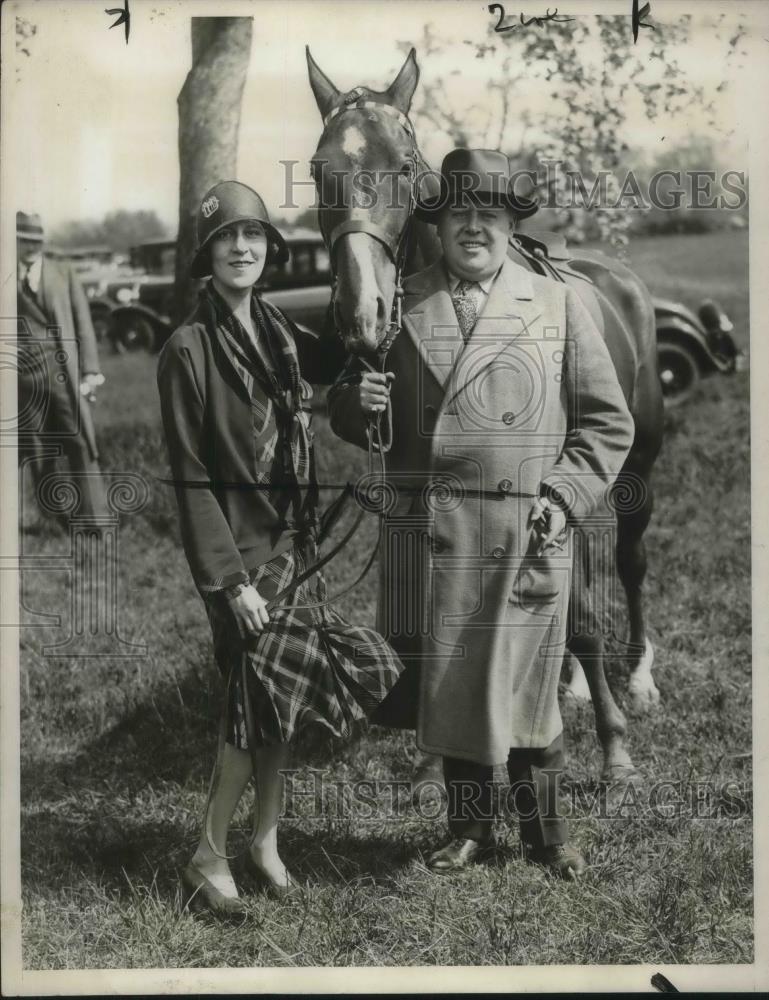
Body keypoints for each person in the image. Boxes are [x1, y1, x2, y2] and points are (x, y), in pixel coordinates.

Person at [328, 149, 635, 879]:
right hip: (438, 534)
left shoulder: (555, 302)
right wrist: (354, 404)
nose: (474, 227)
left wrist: (565, 495)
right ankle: (468, 830)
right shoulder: (398, 301)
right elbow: (350, 408)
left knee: (531, 685)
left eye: (489, 214)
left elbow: (606, 422)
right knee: (455, 681)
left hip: (528, 529)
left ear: (510, 225)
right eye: (459, 214)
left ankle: (547, 835)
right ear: (436, 227)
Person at [157, 181, 403, 917]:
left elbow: (344, 358)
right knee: (253, 702)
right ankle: (207, 854)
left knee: (278, 704)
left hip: (297, 543)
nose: (242, 248)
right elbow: (189, 478)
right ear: (206, 255)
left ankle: (264, 842)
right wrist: (231, 582)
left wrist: (366, 379)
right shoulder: (187, 350)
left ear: (269, 249)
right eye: (226, 238)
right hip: (239, 559)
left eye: (253, 236)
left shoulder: (279, 329)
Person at [16, 211, 107, 527]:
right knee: (38, 447)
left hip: (63, 373)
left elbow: (83, 322)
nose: (31, 246)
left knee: (80, 441)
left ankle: (95, 519)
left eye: (36, 240)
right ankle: (53, 520)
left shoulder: (63, 272)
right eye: (24, 240)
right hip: (24, 379)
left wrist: (90, 370)